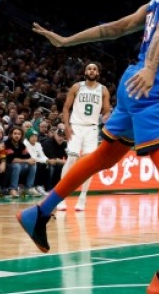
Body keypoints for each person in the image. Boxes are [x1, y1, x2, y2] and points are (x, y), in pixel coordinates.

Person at [18, 0, 159, 294]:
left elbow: (114, 29)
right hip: (150, 86)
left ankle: (40, 212)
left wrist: (66, 40)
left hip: (130, 82)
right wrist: (151, 68)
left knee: (103, 157)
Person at [57, 62, 111, 211]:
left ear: (98, 73)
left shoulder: (103, 90)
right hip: (76, 127)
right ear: (85, 72)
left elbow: (106, 113)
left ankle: (83, 197)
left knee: (89, 164)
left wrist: (108, 117)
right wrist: (67, 126)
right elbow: (66, 107)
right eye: (89, 68)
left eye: (94, 69)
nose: (91, 71)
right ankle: (61, 197)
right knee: (72, 159)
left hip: (92, 129)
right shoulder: (77, 87)